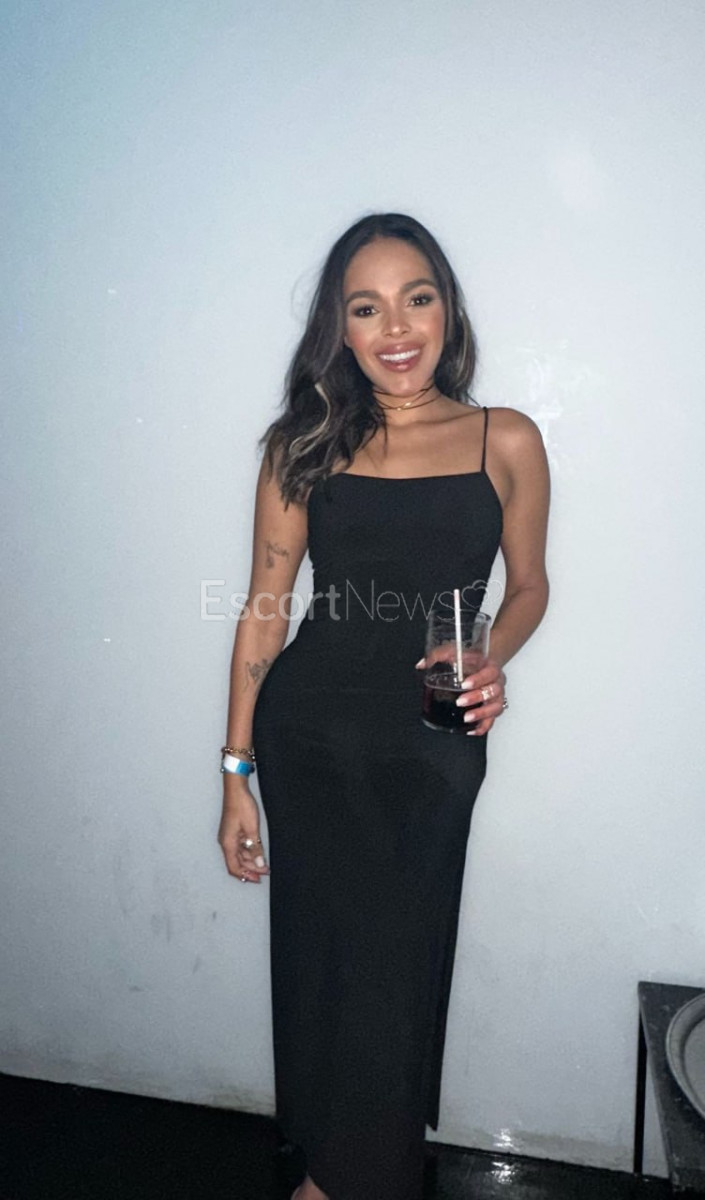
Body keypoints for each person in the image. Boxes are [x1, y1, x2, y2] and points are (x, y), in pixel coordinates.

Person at [218, 213, 550, 1200]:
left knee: (399, 964)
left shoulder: (504, 439)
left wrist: (489, 654)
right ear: (341, 328)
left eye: (417, 298)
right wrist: (235, 772)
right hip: (308, 735)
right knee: (320, 956)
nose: (396, 328)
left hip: (432, 738)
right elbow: (264, 611)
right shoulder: (303, 445)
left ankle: (348, 1174)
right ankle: (342, 1177)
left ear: (448, 309)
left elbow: (530, 586)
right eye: (366, 308)